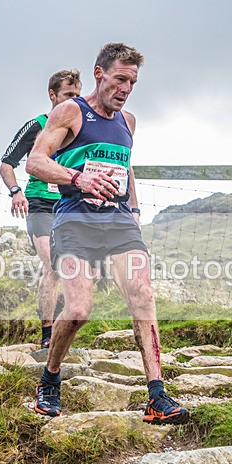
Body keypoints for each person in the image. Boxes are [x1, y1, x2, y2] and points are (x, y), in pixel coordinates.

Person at [25, 43, 189, 425]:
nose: (126, 89)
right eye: (119, 79)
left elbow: (126, 168)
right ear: (98, 74)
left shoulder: (128, 122)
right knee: (79, 310)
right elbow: (35, 161)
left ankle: (157, 395)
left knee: (143, 295)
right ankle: (50, 378)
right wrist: (78, 178)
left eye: (132, 82)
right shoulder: (70, 112)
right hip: (74, 220)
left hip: (118, 221)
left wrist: (135, 211)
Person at [0, 69, 82, 349]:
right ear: (52, 95)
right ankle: (48, 334)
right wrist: (16, 192)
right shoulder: (37, 125)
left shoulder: (80, 127)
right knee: (52, 265)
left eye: (77, 95)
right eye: (68, 95)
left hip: (70, 203)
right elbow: (7, 163)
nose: (73, 100)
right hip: (40, 203)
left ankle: (64, 330)